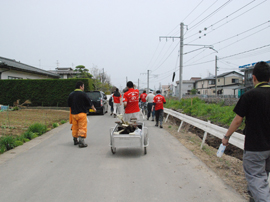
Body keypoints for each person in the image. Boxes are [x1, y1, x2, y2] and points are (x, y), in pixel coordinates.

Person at [221, 61, 270, 202]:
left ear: (253, 78)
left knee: (256, 179)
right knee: (262, 178)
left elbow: (237, 120)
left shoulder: (249, 95)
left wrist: (226, 137)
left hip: (255, 147)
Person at [68, 81, 96, 148]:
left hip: (74, 114)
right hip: (82, 114)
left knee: (75, 127)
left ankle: (75, 139)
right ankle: (81, 142)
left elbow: (69, 104)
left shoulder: (71, 94)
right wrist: (94, 109)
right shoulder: (83, 94)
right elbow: (89, 103)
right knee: (82, 127)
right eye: (83, 86)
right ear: (80, 86)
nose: (83, 88)